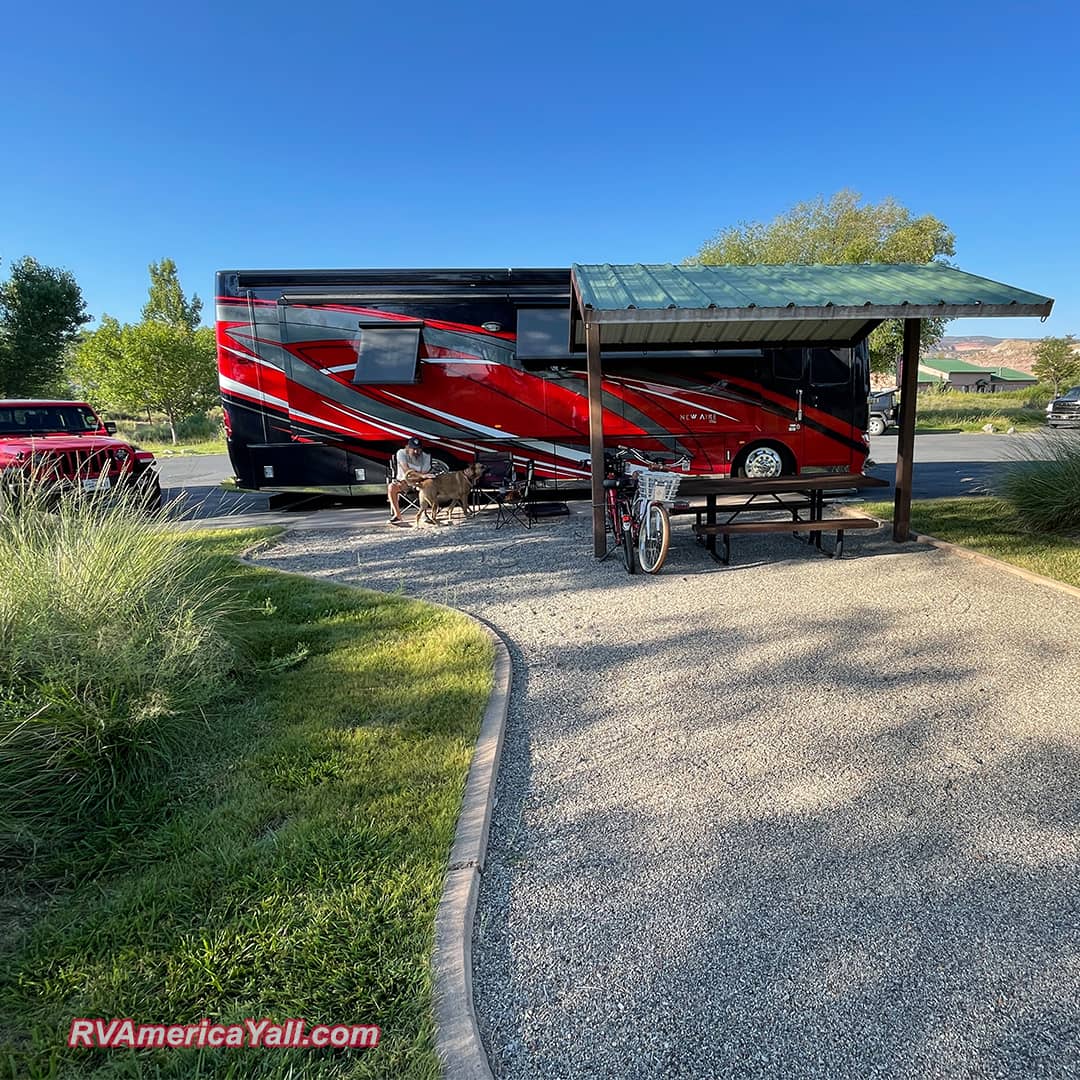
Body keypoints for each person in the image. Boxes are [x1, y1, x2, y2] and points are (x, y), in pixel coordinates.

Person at [388, 436, 434, 524]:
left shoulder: (426, 457)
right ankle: (397, 515)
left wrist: (419, 476)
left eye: (418, 449)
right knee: (391, 487)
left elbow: (424, 474)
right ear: (408, 447)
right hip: (404, 482)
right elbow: (406, 470)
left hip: (419, 482)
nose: (416, 451)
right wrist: (419, 474)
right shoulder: (401, 453)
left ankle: (423, 514)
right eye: (413, 449)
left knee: (425, 486)